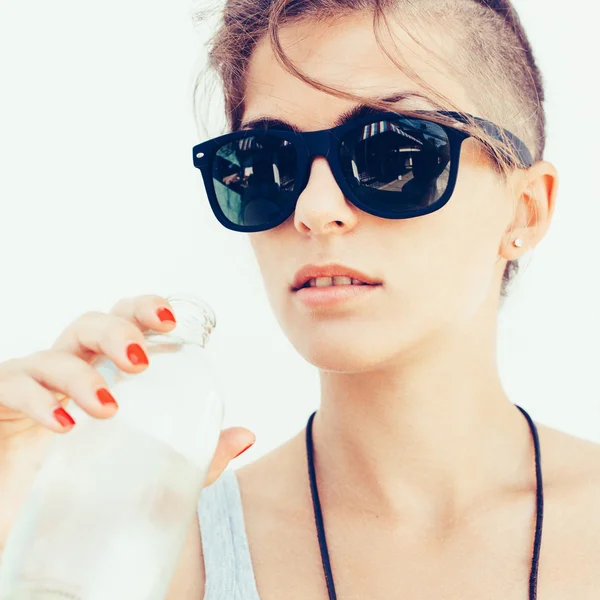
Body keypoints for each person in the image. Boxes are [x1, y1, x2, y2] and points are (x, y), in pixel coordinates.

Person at [1, 0, 599, 598]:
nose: (315, 211)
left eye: (391, 154)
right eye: (265, 165)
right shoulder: (154, 558)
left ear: (527, 209)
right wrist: (20, 535)